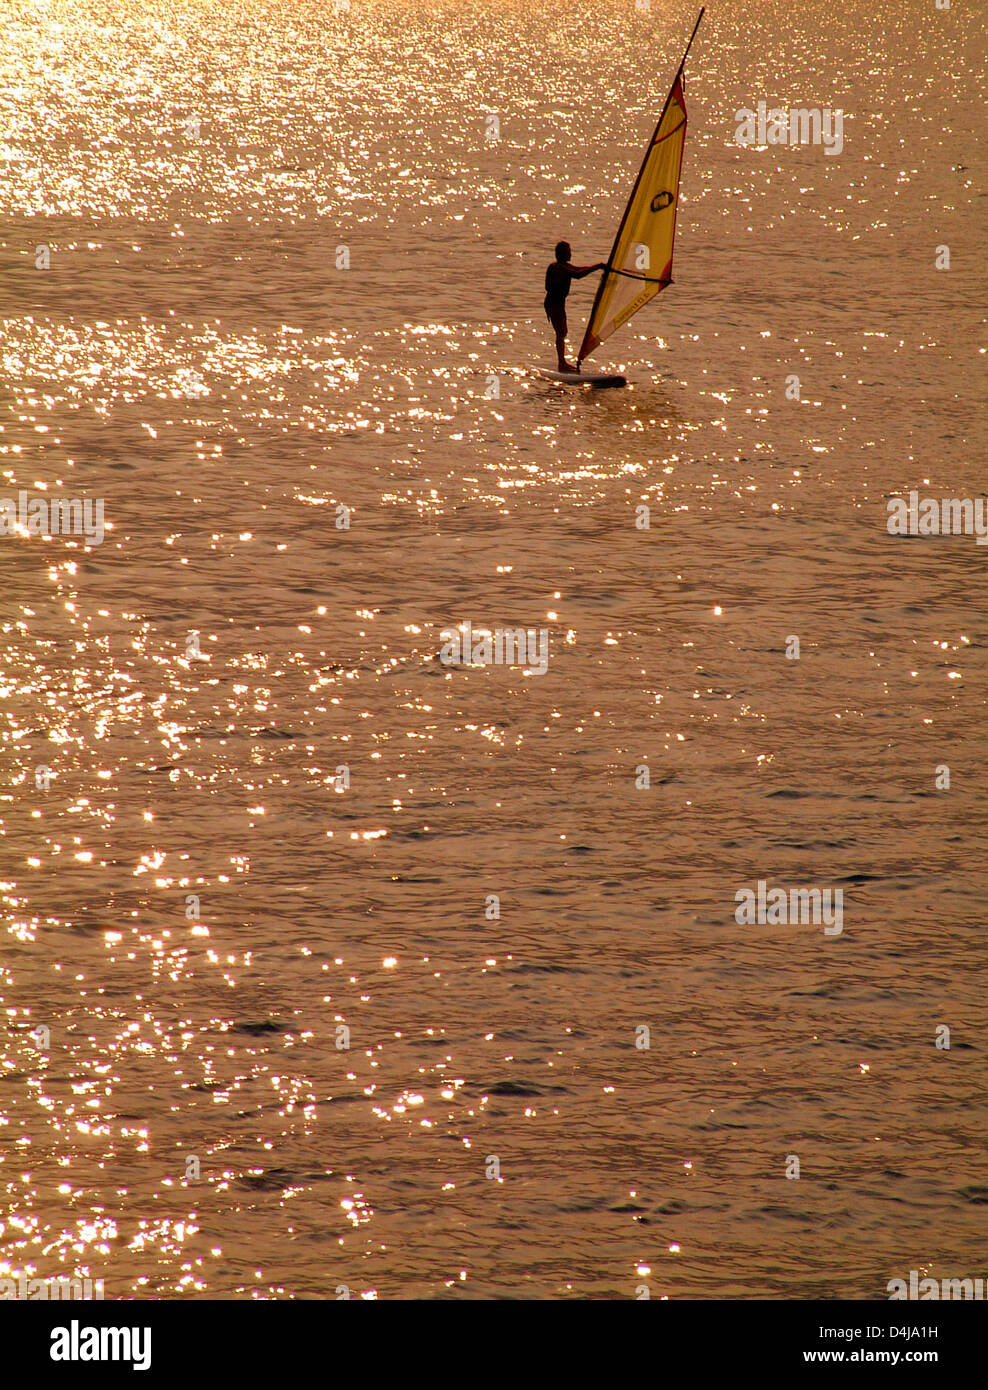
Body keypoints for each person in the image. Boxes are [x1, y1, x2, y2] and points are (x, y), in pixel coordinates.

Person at [544, 241, 606, 372]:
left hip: (558, 303)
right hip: (553, 303)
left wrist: (598, 266)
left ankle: (562, 362)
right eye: (568, 251)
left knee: (563, 332)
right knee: (561, 332)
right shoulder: (558, 268)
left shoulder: (563, 266)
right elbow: (577, 274)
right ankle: (561, 364)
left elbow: (578, 269)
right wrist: (597, 267)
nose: (570, 253)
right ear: (562, 254)